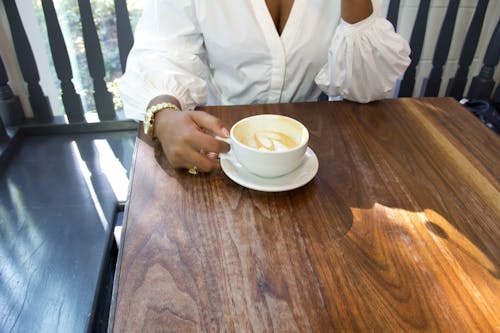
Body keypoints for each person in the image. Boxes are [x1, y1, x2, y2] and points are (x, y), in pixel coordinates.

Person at [119, 0, 411, 174]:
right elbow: (164, 49)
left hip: (312, 155)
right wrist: (166, 115)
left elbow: (367, 87)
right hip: (215, 147)